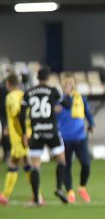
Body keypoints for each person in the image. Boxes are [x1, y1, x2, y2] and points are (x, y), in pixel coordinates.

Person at [21, 66, 72, 206]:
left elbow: (21, 113)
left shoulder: (29, 92)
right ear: (48, 78)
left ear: (37, 78)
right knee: (62, 160)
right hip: (52, 131)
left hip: (37, 132)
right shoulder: (53, 91)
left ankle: (37, 198)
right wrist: (66, 93)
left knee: (35, 165)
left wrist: (25, 133)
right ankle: (58, 188)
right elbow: (67, 105)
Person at [56, 74, 96, 204]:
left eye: (70, 82)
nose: (68, 85)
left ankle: (82, 187)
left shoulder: (80, 98)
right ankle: (70, 191)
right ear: (62, 84)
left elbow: (87, 114)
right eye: (66, 82)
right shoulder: (58, 100)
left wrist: (91, 124)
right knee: (66, 166)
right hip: (65, 138)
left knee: (86, 165)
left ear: (74, 84)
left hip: (80, 137)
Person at [0, 73, 28, 205]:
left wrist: (21, 135)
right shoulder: (23, 94)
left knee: (14, 162)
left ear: (9, 84)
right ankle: (36, 194)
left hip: (19, 136)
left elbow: (18, 115)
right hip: (26, 133)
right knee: (27, 163)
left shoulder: (10, 97)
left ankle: (5, 195)